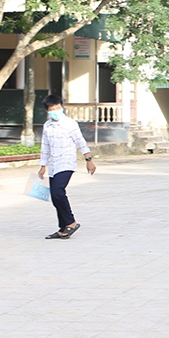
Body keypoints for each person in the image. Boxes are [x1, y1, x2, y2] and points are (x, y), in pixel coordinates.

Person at [37, 94, 96, 239]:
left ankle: (71, 222)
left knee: (58, 191)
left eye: (58, 107)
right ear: (47, 111)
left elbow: (80, 141)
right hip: (54, 164)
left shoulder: (70, 124)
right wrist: (42, 165)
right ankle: (63, 228)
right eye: (52, 109)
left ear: (62, 107)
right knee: (55, 197)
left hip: (67, 162)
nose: (55, 111)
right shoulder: (47, 126)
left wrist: (88, 159)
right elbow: (45, 147)